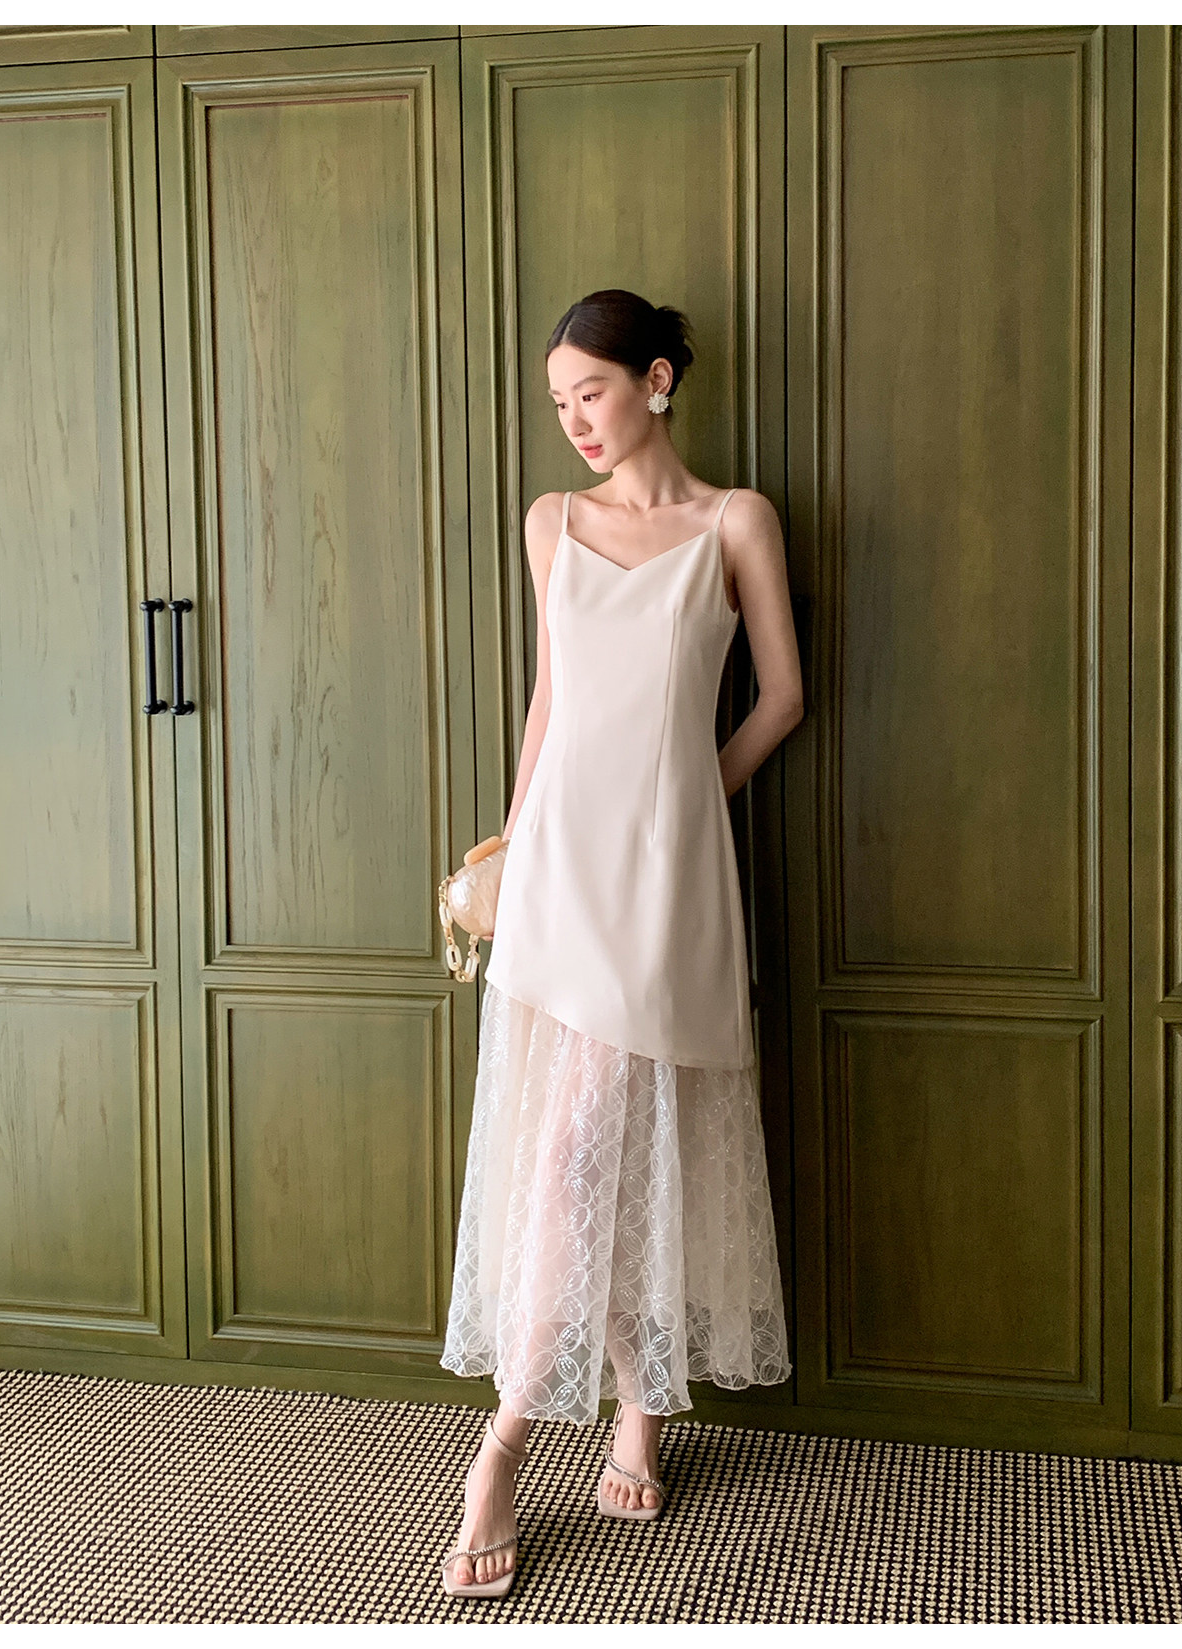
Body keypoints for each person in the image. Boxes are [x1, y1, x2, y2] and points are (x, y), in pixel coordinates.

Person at [438, 289, 804, 1598]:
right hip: (560, 871)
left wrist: (688, 800)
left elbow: (782, 695)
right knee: (567, 1152)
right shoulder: (552, 521)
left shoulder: (736, 520)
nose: (575, 421)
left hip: (668, 872)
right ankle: (521, 1439)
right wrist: (510, 844)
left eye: (590, 392)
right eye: (558, 404)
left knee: (640, 1139)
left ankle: (615, 1417)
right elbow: (548, 703)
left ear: (655, 379)